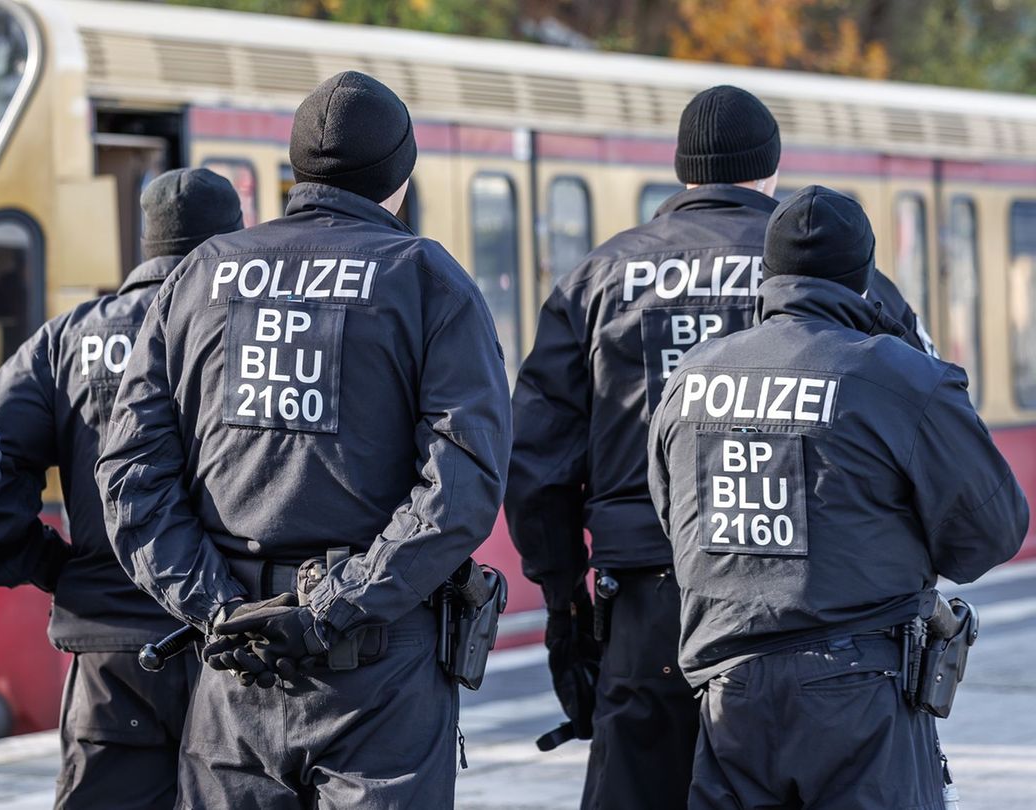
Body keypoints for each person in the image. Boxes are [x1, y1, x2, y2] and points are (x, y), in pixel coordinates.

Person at [505, 84, 935, 809]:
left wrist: (563, 600)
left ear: (681, 171)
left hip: (646, 602)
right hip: (811, 610)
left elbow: (537, 466)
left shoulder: (597, 280)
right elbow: (919, 422)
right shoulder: (837, 273)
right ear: (771, 170)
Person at [97, 71, 511, 809]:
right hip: (379, 672)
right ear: (401, 173)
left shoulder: (200, 276)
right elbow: (463, 481)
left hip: (234, 672)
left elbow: (130, 474)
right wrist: (338, 607)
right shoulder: (428, 281)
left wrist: (218, 607)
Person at [648, 185, 1028, 809]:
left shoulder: (689, 380)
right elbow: (992, 531)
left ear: (767, 274)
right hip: (861, 698)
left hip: (727, 695)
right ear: (864, 279)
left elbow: (674, 517)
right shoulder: (901, 378)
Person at [0, 167, 244, 809]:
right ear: (234, 239)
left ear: (145, 244)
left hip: (113, 658)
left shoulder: (68, 340)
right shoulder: (256, 332)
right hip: (240, 642)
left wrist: (56, 565)